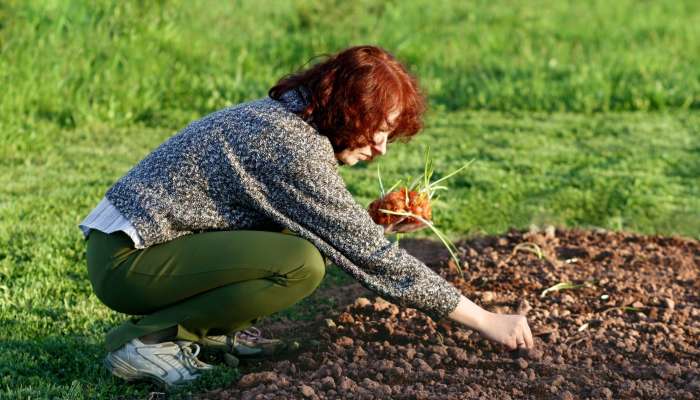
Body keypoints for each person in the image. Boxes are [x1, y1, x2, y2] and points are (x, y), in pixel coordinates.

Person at [79, 45, 534, 389]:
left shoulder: (290, 117)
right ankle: (145, 343)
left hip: (140, 245)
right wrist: (485, 320)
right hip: (127, 261)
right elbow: (374, 260)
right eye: (377, 131)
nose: (380, 148)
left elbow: (320, 226)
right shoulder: (293, 146)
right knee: (300, 264)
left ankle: (205, 334)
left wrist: (370, 224)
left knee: (299, 249)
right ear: (347, 110)